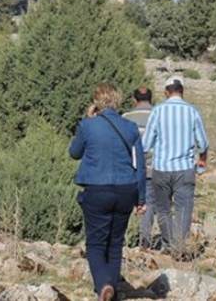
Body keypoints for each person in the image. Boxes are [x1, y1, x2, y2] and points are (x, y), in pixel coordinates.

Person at [69, 82, 147, 301]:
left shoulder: (88, 126)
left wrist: (88, 120)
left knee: (95, 243)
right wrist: (142, 198)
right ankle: (111, 291)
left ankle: (104, 285)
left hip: (97, 189)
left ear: (96, 102)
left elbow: (74, 153)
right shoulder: (130, 127)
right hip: (125, 190)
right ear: (117, 100)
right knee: (115, 244)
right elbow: (140, 165)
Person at [142, 76, 209, 256]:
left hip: (161, 168)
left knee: (163, 208)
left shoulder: (157, 111)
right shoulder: (193, 111)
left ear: (166, 92)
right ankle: (179, 246)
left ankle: (168, 244)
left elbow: (146, 144)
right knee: (183, 207)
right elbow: (202, 143)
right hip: (184, 168)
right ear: (183, 91)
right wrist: (202, 159)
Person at [122, 87, 156, 249]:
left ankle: (125, 237)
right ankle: (145, 239)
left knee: (126, 201)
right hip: (152, 167)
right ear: (151, 99)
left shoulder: (126, 117)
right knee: (148, 201)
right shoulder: (158, 116)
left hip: (130, 167)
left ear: (134, 101)